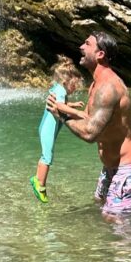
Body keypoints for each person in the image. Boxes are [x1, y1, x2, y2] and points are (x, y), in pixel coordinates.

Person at [46, 31, 131, 217]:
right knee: (99, 207)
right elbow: (87, 116)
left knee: (116, 223)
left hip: (128, 169)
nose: (81, 47)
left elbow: (90, 133)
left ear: (100, 54)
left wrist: (60, 116)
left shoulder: (108, 88)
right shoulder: (95, 84)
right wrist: (62, 107)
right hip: (111, 168)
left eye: (87, 44)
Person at [29, 58, 84, 203]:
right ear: (67, 82)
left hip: (47, 128)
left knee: (47, 155)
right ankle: (39, 184)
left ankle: (38, 181)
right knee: (47, 157)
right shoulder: (60, 90)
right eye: (75, 86)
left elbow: (62, 103)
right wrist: (77, 113)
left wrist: (72, 104)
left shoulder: (60, 91)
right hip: (47, 129)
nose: (75, 89)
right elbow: (59, 106)